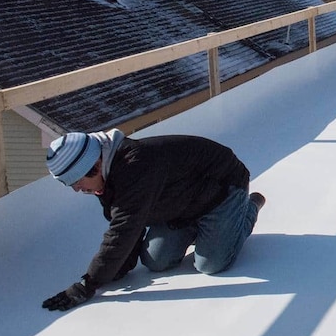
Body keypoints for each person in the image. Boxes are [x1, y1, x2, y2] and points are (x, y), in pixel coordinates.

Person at [41, 129, 264, 312]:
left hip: (221, 190)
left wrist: (88, 284)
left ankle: (246, 209)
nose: (78, 190)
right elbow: (129, 220)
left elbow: (124, 229)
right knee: (156, 261)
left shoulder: (134, 167)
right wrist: (118, 270)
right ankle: (205, 230)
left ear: (95, 166)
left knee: (210, 264)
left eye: (77, 183)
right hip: (181, 202)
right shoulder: (106, 174)